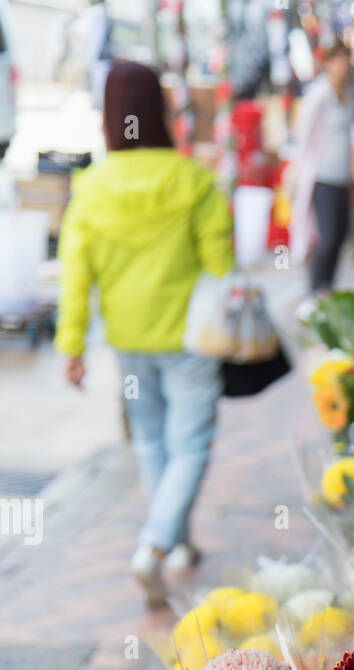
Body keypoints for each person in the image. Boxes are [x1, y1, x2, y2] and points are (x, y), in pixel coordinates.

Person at [55, 59, 234, 606]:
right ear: (158, 110)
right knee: (192, 442)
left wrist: (73, 345)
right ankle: (156, 543)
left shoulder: (91, 187)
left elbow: (75, 271)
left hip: (128, 340)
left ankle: (174, 544)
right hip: (190, 339)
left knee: (153, 442)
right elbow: (220, 266)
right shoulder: (193, 179)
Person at [290, 41, 354, 294]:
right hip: (322, 176)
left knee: (340, 234)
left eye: (345, 60)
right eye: (338, 61)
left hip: (342, 176)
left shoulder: (346, 95)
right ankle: (315, 289)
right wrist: (297, 170)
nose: (343, 66)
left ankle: (327, 286)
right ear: (327, 64)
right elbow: (303, 135)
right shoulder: (319, 94)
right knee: (325, 237)